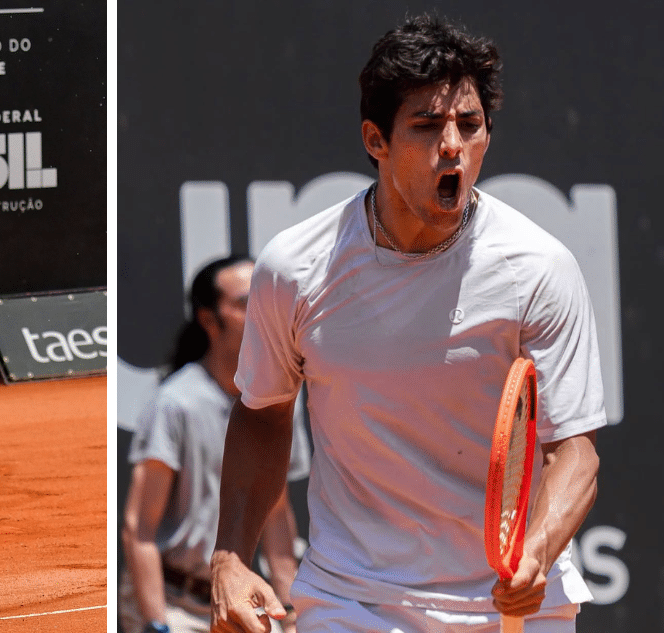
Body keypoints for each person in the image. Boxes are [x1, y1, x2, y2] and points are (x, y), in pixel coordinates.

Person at [210, 15, 604, 633]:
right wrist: (231, 557)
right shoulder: (295, 267)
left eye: (469, 125)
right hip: (354, 598)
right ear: (376, 140)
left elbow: (572, 450)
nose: (452, 145)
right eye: (426, 125)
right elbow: (262, 413)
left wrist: (537, 549)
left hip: (517, 599)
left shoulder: (538, 268)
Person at [121, 255, 310, 633]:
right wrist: (157, 624)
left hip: (244, 602)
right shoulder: (175, 404)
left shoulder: (280, 397)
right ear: (209, 320)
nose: (260, 312)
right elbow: (139, 529)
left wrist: (290, 612)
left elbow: (276, 514)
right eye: (245, 302)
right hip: (175, 605)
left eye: (265, 298)